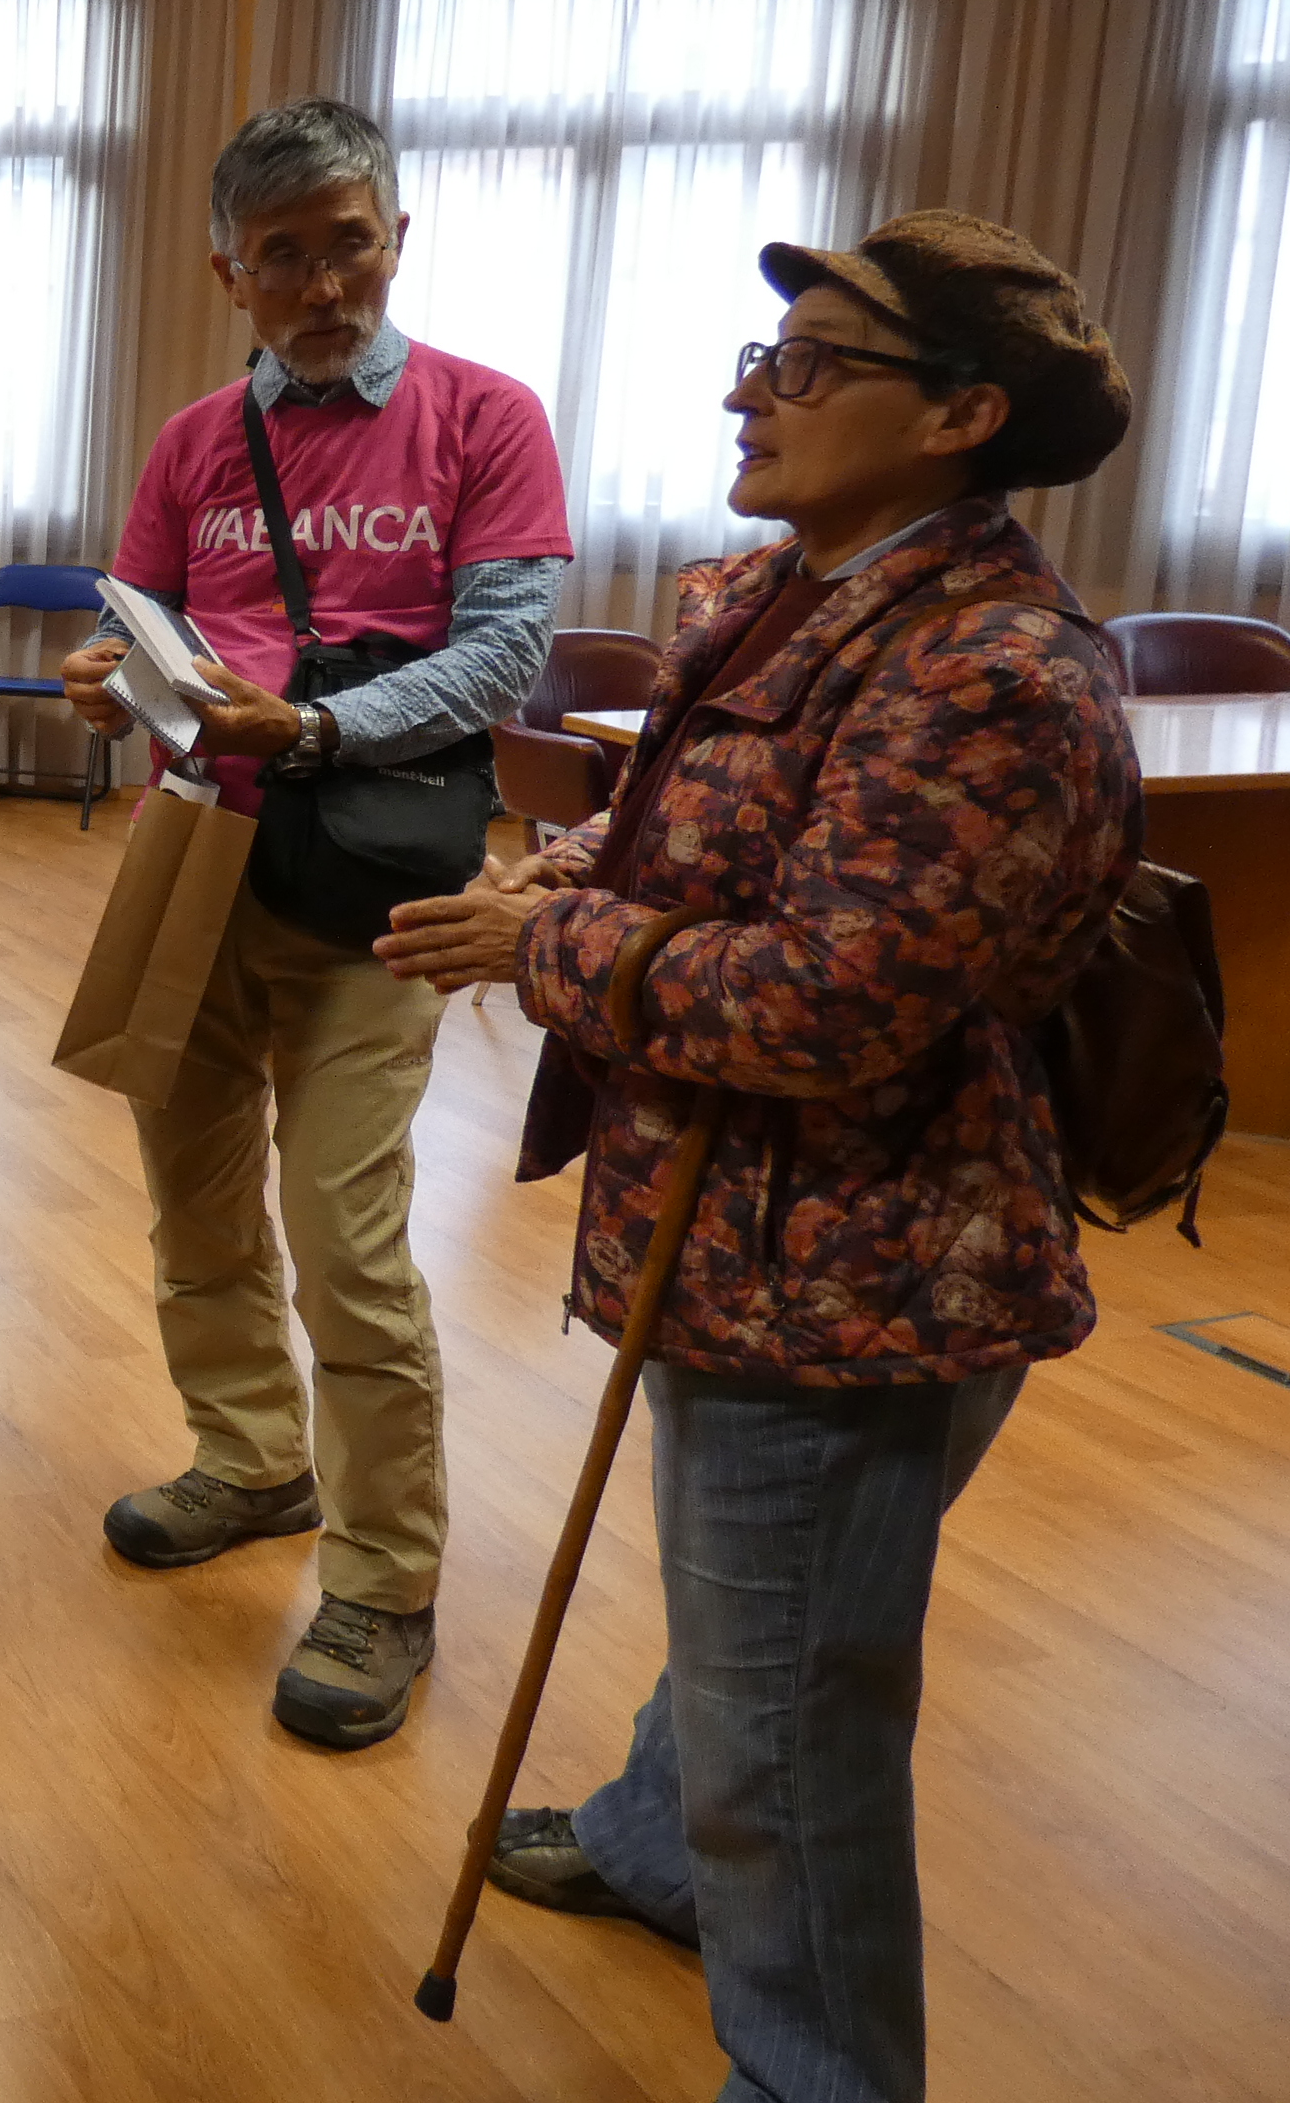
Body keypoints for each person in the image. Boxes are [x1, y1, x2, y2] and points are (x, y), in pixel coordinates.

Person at [377, 211, 1141, 2103]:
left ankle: (818, 2073)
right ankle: (661, 1848)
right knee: (764, 1623)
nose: (750, 395)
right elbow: (675, 834)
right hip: (738, 1225)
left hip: (862, 1267)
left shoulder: (992, 672)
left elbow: (830, 999)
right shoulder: (776, 591)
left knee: (793, 1709)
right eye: (759, 356)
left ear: (960, 414)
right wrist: (570, 872)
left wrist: (542, 943)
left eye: (809, 367)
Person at [62, 98, 573, 1749]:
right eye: (281, 255)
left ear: (396, 240)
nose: (322, 283)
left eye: (348, 243)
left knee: (347, 1242)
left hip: (380, 885)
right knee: (196, 1203)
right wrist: (112, 682)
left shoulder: (486, 416)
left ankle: (385, 1580)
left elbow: (504, 656)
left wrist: (321, 727)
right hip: (194, 858)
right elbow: (147, 623)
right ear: (231, 271)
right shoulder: (197, 440)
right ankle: (250, 1456)